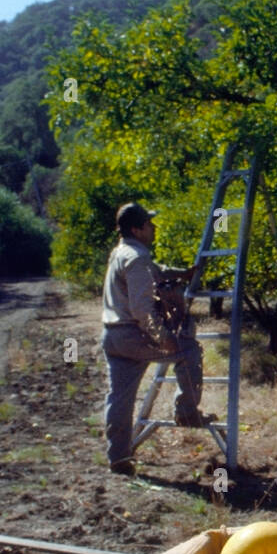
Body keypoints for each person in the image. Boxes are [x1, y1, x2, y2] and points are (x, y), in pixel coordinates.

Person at [101, 202, 207, 475]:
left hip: (113, 336)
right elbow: (141, 308)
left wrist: (180, 273)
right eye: (149, 224)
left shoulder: (121, 252)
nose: (154, 228)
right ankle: (186, 412)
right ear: (138, 229)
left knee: (120, 397)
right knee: (189, 351)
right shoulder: (137, 257)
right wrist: (163, 337)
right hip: (134, 335)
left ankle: (119, 457)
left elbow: (154, 271)